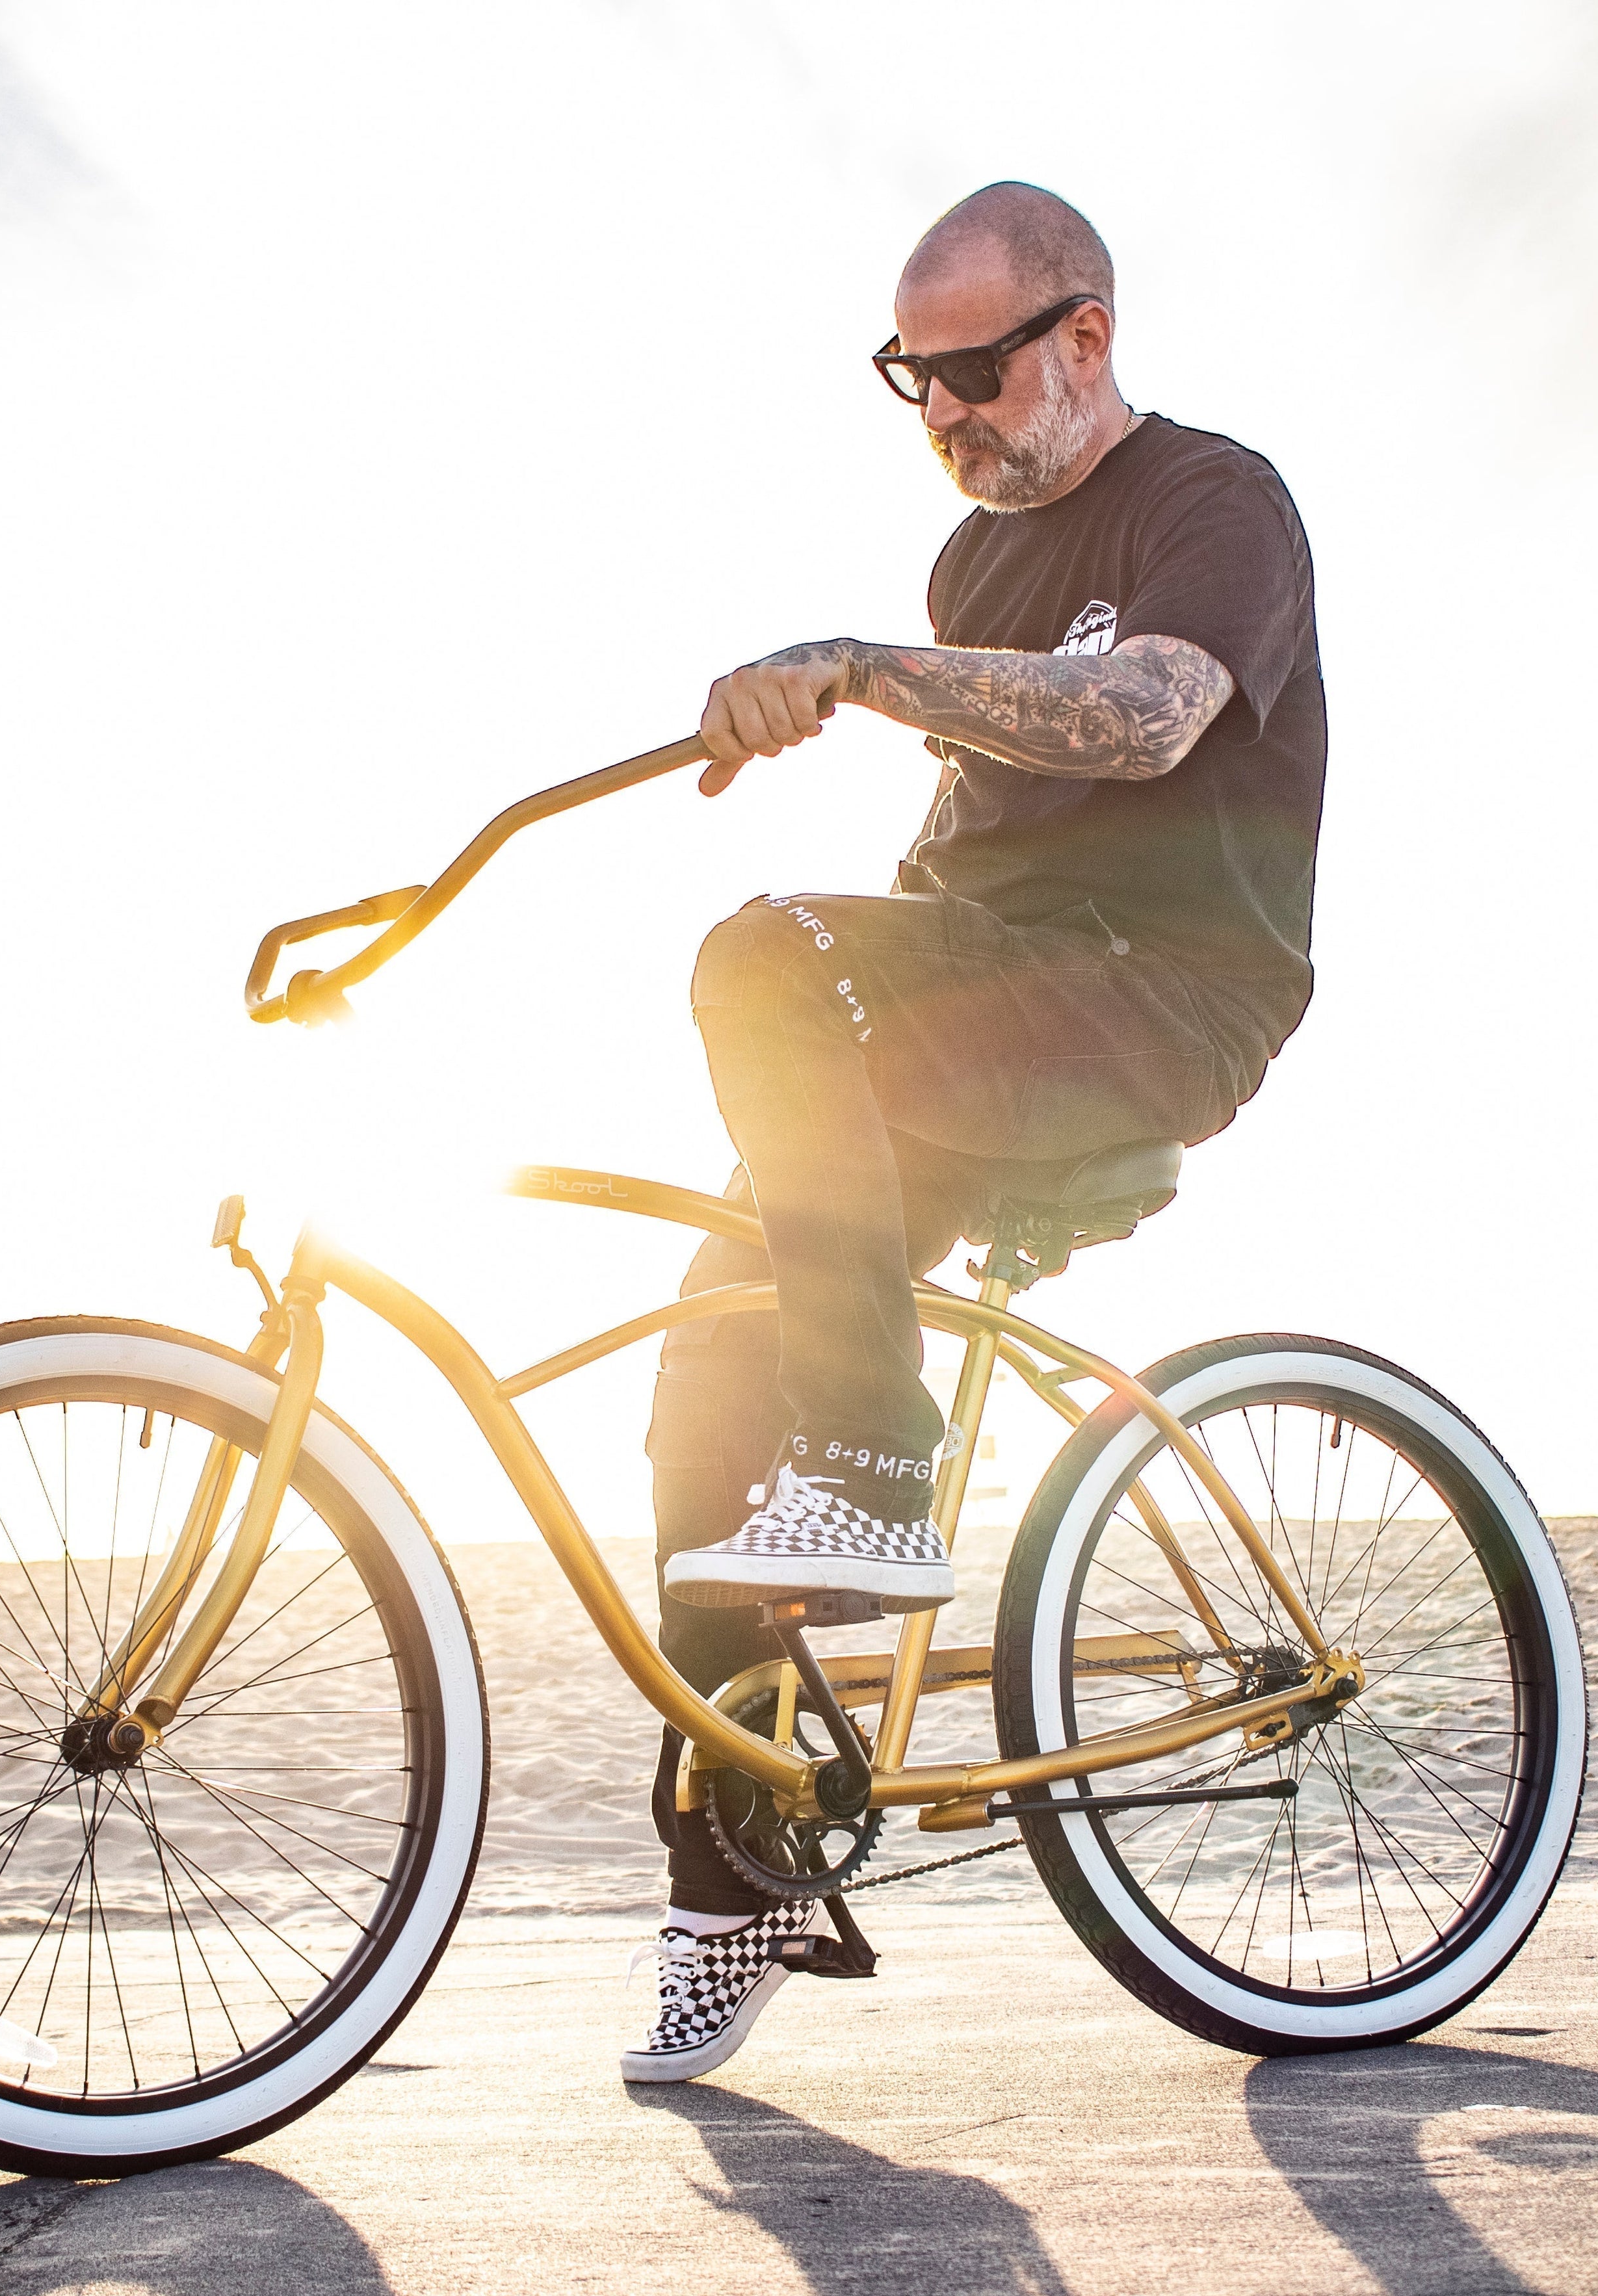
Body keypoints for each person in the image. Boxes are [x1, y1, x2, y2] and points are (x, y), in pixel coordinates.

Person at [622, 181, 1329, 2082]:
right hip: (993, 999)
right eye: (911, 381)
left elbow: (1148, 718)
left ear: (1083, 338)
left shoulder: (1215, 503)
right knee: (713, 1344)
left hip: (1163, 996)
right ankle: (743, 1870)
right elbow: (961, 854)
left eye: (975, 373)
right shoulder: (971, 566)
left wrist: (859, 671)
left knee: (763, 952)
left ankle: (875, 1458)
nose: (942, 414)